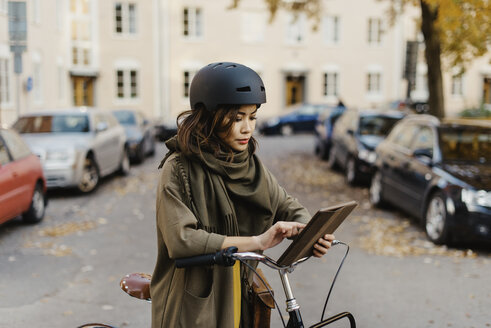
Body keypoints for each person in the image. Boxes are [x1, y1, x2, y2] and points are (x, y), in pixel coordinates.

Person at [151, 62, 335, 328]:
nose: (247, 128)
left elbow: (286, 205)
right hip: (194, 302)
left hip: (241, 292)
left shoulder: (248, 162)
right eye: (237, 118)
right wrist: (257, 241)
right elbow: (182, 240)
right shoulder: (178, 168)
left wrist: (311, 232)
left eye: (252, 117)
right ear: (209, 117)